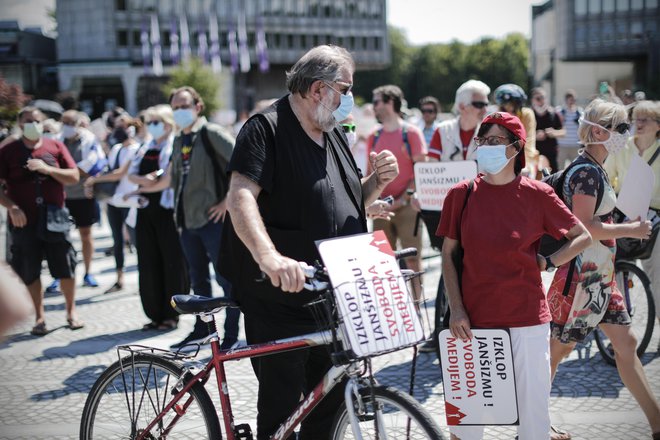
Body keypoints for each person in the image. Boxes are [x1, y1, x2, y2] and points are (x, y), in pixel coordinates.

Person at [221, 45, 398, 440]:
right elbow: (240, 196)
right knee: (283, 412)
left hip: (332, 294)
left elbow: (337, 200)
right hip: (280, 296)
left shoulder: (329, 131)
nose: (350, 98)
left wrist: (375, 184)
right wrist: (269, 257)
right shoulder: (265, 128)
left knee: (328, 407)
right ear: (319, 89)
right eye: (345, 88)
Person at [438, 111, 591, 440]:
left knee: (534, 421)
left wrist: (549, 262)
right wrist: (456, 308)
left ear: (516, 148)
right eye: (482, 140)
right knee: (466, 424)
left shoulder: (537, 194)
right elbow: (448, 254)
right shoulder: (460, 195)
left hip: (527, 322)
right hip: (472, 324)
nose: (486, 148)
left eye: (495, 141)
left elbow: (582, 236)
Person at [548, 99, 660, 440]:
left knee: (626, 344)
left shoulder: (595, 168)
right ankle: (533, 420)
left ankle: (657, 425)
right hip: (582, 278)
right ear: (599, 131)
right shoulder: (586, 172)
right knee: (556, 352)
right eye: (621, 128)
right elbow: (585, 228)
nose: (625, 135)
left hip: (599, 278)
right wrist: (630, 230)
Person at [140, 87, 240, 351]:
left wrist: (226, 201)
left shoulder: (211, 133)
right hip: (187, 221)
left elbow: (243, 164)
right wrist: (136, 184)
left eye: (184, 105)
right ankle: (203, 331)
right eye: (175, 107)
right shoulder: (177, 140)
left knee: (227, 279)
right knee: (198, 281)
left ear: (198, 106)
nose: (179, 111)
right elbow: (172, 178)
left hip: (213, 220)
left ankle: (231, 335)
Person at [419, 79, 490, 353]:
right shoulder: (443, 131)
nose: (485, 108)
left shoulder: (489, 131)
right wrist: (421, 193)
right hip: (448, 208)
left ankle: (474, 326)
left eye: (486, 102)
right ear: (462, 106)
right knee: (449, 260)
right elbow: (432, 168)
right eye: (479, 103)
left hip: (481, 210)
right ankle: (441, 328)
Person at [0, 106, 82, 335]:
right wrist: (12, 207)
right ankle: (39, 316)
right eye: (27, 121)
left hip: (55, 217)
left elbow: (74, 176)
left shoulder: (54, 146)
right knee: (29, 269)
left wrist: (47, 168)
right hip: (23, 220)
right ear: (19, 124)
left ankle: (71, 311)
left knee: (66, 266)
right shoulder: (9, 151)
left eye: (36, 121)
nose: (32, 125)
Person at [128, 105, 189, 331]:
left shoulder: (174, 145)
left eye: (156, 121)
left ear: (168, 123)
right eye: (149, 121)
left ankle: (171, 314)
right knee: (148, 262)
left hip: (167, 212)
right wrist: (146, 183)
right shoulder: (145, 146)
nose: (152, 126)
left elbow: (166, 181)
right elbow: (132, 175)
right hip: (145, 211)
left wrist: (142, 185)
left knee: (171, 262)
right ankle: (154, 313)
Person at [604, 100, 660, 342]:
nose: (639, 123)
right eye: (636, 118)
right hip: (625, 215)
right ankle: (619, 322)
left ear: (658, 126)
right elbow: (607, 177)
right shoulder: (622, 147)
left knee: (657, 275)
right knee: (615, 268)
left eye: (645, 119)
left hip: (655, 218)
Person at [368, 84, 427, 300]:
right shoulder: (374, 135)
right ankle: (392, 310)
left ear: (390, 103)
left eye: (376, 102)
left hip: (407, 208)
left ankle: (418, 308)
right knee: (383, 262)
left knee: (412, 260)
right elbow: (369, 173)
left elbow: (421, 170)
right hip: (381, 208)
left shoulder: (411, 133)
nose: (373, 107)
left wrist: (404, 199)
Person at [83, 114, 140, 294]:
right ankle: (119, 278)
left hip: (130, 200)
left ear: (131, 127)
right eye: (117, 126)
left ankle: (142, 278)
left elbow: (120, 173)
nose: (119, 130)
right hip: (115, 200)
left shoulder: (137, 149)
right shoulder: (115, 148)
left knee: (136, 240)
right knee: (117, 240)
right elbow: (109, 169)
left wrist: (95, 179)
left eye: (123, 126)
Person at [494, 83, 540, 176]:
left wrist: (524, 164)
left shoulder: (526, 114)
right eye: (504, 107)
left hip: (526, 159)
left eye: (513, 106)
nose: (509, 110)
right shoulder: (495, 117)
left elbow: (529, 141)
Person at [531, 87, 565, 173]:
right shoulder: (529, 114)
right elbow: (523, 134)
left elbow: (563, 132)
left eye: (543, 97)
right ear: (533, 100)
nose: (541, 100)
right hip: (534, 153)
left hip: (551, 154)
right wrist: (535, 135)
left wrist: (553, 133)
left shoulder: (553, 113)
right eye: (538, 98)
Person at [556, 89, 582, 170]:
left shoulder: (580, 112)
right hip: (562, 145)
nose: (571, 102)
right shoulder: (560, 112)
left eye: (573, 100)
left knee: (575, 168)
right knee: (560, 168)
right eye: (570, 99)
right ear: (566, 100)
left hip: (575, 145)